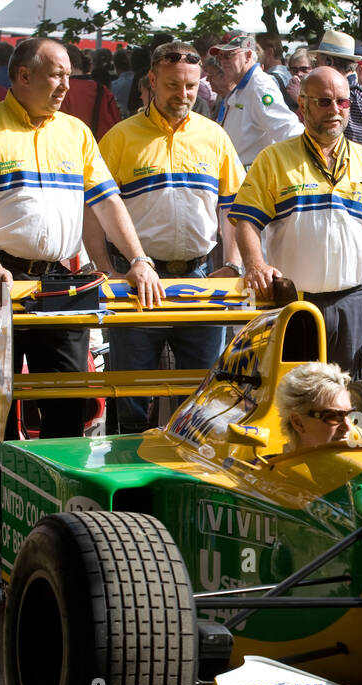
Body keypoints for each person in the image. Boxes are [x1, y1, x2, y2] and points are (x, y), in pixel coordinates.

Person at [0, 36, 164, 441]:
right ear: (24, 76)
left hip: (61, 280)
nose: (66, 85)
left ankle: (55, 489)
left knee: (68, 399)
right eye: (57, 75)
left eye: (69, 75)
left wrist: (138, 260)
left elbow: (108, 202)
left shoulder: (76, 133)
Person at [89, 40, 245, 434]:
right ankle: (126, 484)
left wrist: (235, 264)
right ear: (152, 81)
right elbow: (92, 210)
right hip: (134, 282)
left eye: (191, 86)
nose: (184, 95)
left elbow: (234, 208)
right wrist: (105, 269)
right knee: (130, 401)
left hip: (200, 282)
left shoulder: (214, 137)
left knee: (203, 400)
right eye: (174, 85)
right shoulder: (120, 138)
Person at [229, 67, 362, 374]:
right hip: (293, 302)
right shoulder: (273, 159)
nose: (335, 110)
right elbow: (246, 221)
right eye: (324, 102)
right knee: (293, 395)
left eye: (342, 102)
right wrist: (255, 266)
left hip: (352, 301)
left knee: (344, 395)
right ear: (303, 105)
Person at [210, 32, 303, 166]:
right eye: (220, 57)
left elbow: (289, 130)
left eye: (229, 55)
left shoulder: (259, 86)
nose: (223, 62)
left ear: (248, 55)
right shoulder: (245, 86)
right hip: (239, 175)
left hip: (250, 177)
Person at [310, 29, 362, 148]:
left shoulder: (353, 94)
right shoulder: (346, 92)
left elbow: (356, 144)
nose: (315, 68)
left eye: (317, 62)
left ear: (329, 61)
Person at [274, 361, 353, 451]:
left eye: (349, 414)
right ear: (298, 423)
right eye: (333, 416)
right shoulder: (268, 465)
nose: (347, 427)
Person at [57, 43, 120, 139]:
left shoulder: (60, 91)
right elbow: (115, 121)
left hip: (67, 146)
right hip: (98, 146)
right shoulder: (101, 89)